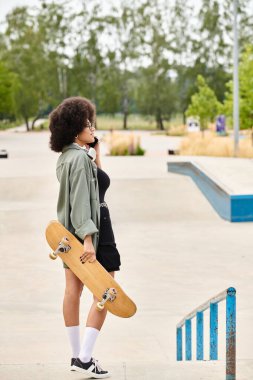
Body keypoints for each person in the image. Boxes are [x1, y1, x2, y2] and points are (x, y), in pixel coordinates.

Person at [49, 96, 121, 378]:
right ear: (73, 128)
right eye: (87, 124)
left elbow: (96, 185)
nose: (92, 128)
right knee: (107, 290)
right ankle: (85, 357)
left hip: (68, 234)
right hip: (94, 229)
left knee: (72, 291)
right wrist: (89, 239)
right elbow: (81, 201)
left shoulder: (68, 157)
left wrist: (96, 152)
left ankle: (77, 356)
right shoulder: (79, 160)